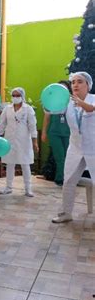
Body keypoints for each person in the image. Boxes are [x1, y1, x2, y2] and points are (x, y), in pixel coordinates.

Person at [52, 72, 95, 223]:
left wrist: (80, 103)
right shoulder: (68, 103)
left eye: (80, 82)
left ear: (88, 85)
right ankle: (66, 213)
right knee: (68, 180)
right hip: (75, 148)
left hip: (93, 149)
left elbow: (91, 109)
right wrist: (50, 100)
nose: (75, 84)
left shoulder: (93, 99)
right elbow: (53, 110)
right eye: (73, 82)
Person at [0, 87, 38, 197]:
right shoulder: (7, 109)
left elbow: (32, 126)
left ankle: (28, 188)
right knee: (10, 163)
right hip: (9, 140)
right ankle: (8, 187)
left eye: (17, 95)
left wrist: (35, 142)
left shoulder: (28, 109)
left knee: (25, 163)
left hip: (24, 140)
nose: (15, 97)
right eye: (13, 95)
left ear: (22, 96)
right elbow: (2, 124)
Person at [41, 80, 72, 186]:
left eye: (65, 88)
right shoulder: (51, 102)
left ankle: (69, 178)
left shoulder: (72, 101)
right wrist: (44, 132)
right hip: (54, 132)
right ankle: (60, 178)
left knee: (69, 157)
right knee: (59, 156)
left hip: (69, 133)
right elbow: (47, 117)